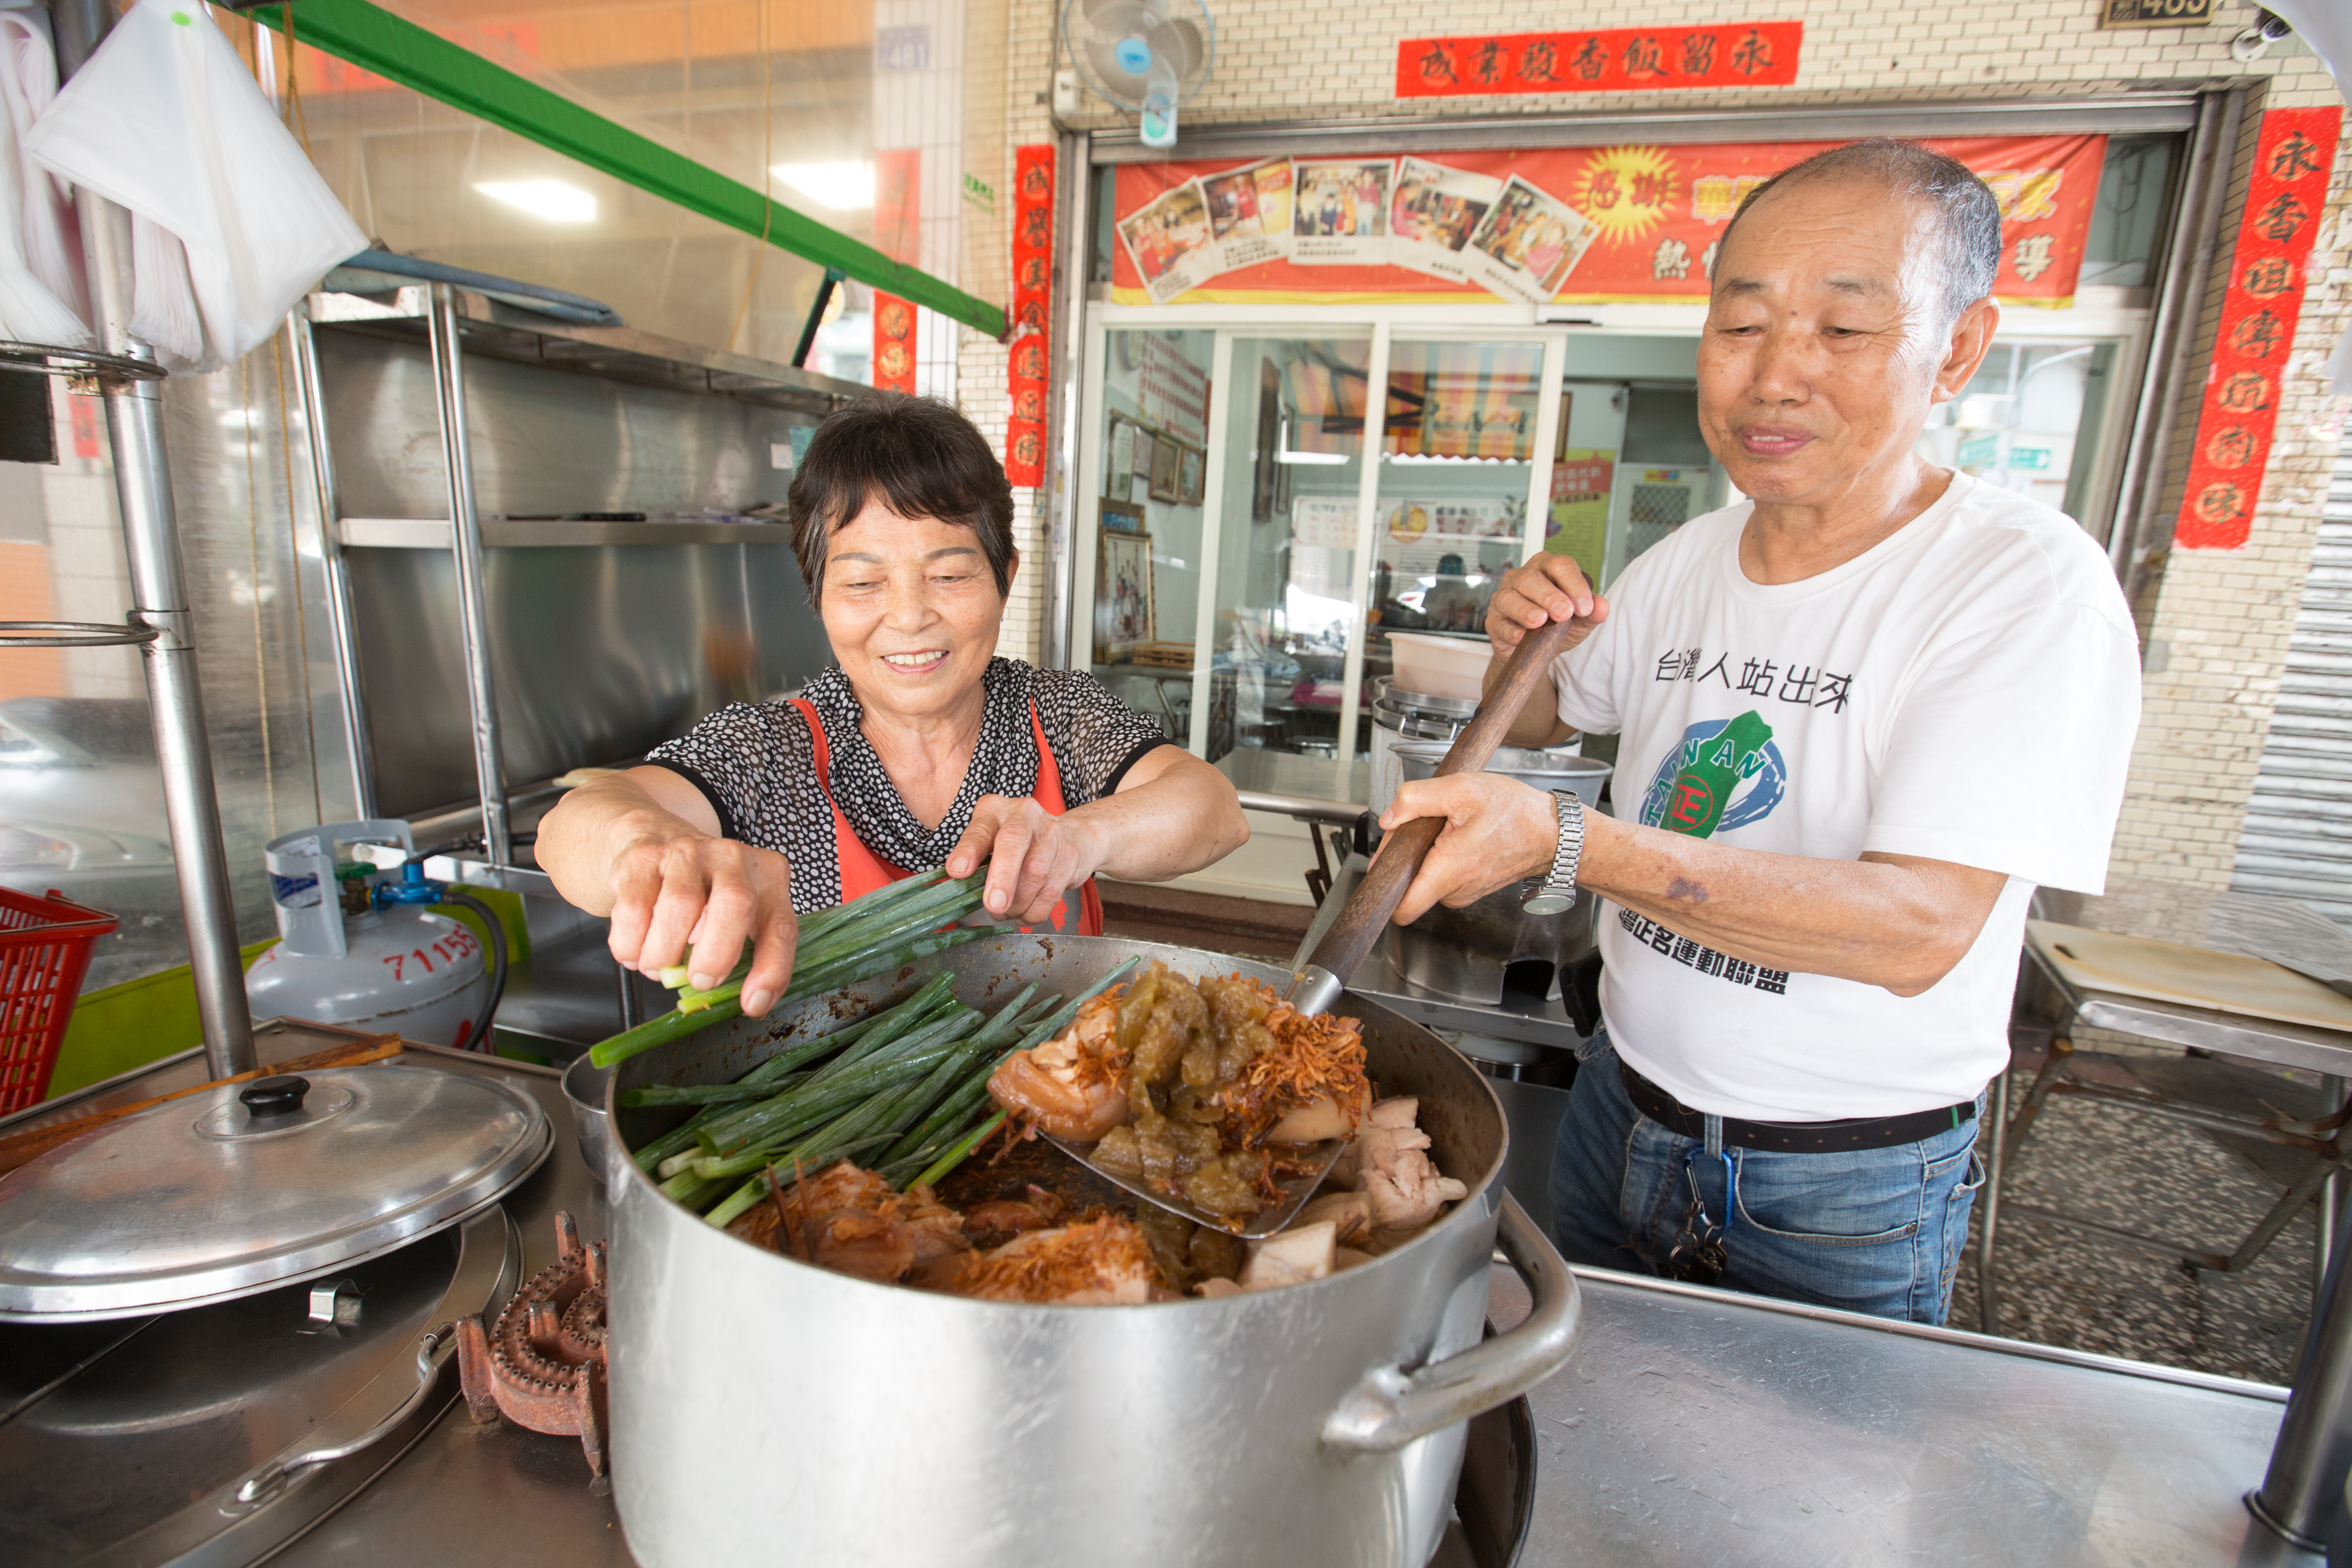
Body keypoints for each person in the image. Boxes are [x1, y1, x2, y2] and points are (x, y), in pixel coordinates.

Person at [1378, 139, 2140, 1325]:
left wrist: (1569, 844)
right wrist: (1520, 643)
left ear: (1962, 349)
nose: (1776, 377)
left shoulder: (2025, 587)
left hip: (1843, 1180)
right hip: (1615, 1108)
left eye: (1844, 332)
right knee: (1580, 1441)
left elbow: (1919, 931)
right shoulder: (1687, 560)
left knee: (1809, 1501)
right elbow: (1544, 716)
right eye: (1741, 329)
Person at [539, 394, 1250, 1016]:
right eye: (861, 584)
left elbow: (1213, 810)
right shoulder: (771, 750)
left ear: (1005, 576)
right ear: (817, 596)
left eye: (948, 573)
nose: (909, 618)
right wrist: (647, 847)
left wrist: (1081, 838)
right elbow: (570, 829)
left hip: (1060, 1118)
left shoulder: (1056, 717)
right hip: (836, 1154)